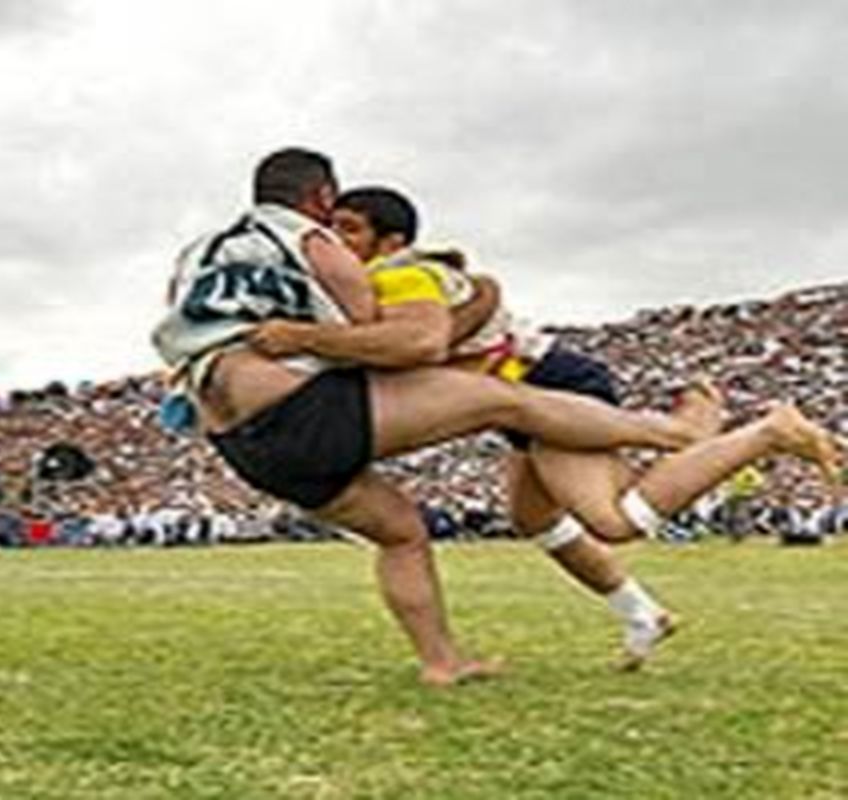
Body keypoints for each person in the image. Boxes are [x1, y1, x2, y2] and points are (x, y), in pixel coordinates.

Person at [151, 148, 718, 686]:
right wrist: (473, 301)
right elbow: (407, 342)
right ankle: (678, 433)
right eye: (338, 218)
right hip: (300, 411)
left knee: (403, 533)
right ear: (321, 198)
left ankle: (444, 662)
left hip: (238, 443)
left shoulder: (195, 255)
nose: (342, 236)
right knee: (517, 416)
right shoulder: (312, 242)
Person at [246, 184, 842, 668]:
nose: (334, 241)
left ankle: (762, 433)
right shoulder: (388, 279)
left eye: (350, 228)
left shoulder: (399, 275)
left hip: (545, 388)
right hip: (526, 391)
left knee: (613, 520)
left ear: (391, 240)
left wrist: (298, 341)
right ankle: (643, 615)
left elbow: (419, 346)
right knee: (533, 518)